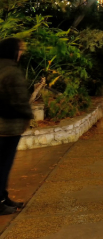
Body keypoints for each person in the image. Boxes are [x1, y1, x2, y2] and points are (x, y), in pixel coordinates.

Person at [0, 38, 32, 214]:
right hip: (9, 127)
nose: (21, 53)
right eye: (19, 49)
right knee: (4, 166)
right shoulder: (12, 72)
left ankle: (4, 198)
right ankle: (1, 202)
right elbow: (20, 100)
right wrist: (28, 115)